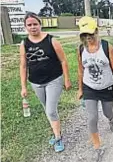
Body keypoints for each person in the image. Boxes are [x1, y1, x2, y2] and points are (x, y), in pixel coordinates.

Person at [20, 12, 71, 152]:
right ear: (25, 27)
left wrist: (67, 79)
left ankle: (58, 137)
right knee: (47, 109)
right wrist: (23, 86)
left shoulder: (51, 40)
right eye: (29, 25)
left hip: (54, 80)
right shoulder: (24, 44)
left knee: (50, 110)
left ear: (40, 24)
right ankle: (56, 132)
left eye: (35, 24)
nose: (32, 27)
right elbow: (23, 66)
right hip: (36, 82)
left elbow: (63, 60)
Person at [77, 16, 113, 159]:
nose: (88, 37)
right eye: (84, 35)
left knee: (107, 112)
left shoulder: (106, 46)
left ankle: (111, 120)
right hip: (89, 87)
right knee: (92, 117)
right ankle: (97, 147)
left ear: (96, 31)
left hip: (107, 87)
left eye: (90, 34)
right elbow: (81, 70)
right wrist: (80, 89)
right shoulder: (80, 49)